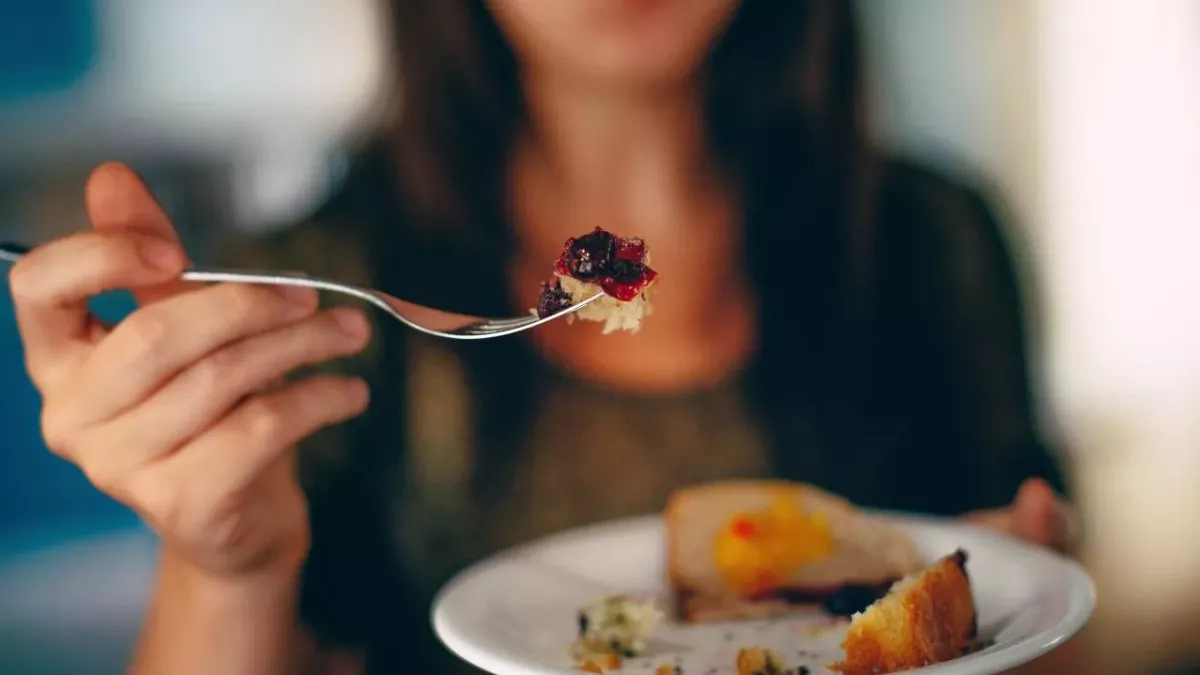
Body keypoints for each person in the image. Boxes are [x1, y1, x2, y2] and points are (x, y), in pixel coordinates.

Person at [7, 1, 1083, 673]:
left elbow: (1037, 628)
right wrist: (229, 567)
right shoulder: (313, 295)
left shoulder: (934, 240)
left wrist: (998, 615)